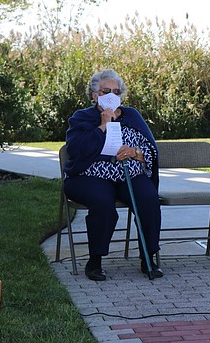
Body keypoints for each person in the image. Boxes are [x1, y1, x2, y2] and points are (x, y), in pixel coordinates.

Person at [64, 68, 161, 281]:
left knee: (148, 198)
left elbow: (151, 150)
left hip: (129, 173)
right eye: (105, 91)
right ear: (94, 95)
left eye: (116, 92)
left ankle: (148, 257)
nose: (111, 95)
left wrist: (136, 153)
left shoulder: (132, 115)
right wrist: (102, 125)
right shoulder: (82, 117)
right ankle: (95, 261)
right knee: (102, 203)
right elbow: (76, 150)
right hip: (91, 176)